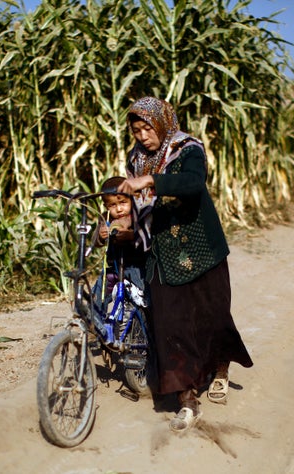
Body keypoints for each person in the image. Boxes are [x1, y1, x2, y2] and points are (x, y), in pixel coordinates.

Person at [117, 96, 253, 433]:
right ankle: (187, 399)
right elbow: (134, 205)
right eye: (136, 131)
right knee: (170, 325)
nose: (142, 136)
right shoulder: (137, 159)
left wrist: (151, 182)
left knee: (212, 316)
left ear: (162, 123)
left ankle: (220, 369)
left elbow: (193, 184)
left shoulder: (187, 148)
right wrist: (119, 224)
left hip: (200, 247)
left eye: (147, 128)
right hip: (160, 253)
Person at [91, 176, 147, 339]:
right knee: (98, 296)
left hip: (134, 267)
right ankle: (96, 326)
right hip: (112, 268)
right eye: (112, 205)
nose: (119, 209)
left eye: (123, 202)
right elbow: (96, 242)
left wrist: (129, 234)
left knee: (143, 300)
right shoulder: (105, 218)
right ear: (106, 206)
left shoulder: (136, 216)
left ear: (132, 199)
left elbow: (140, 235)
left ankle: (145, 329)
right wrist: (101, 236)